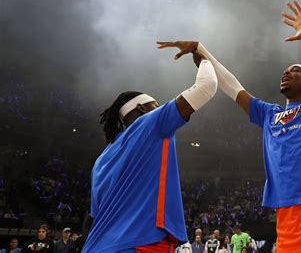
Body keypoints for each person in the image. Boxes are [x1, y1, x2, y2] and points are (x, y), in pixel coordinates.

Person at [158, 0, 301, 252]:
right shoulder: (269, 114)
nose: (286, 72)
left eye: (295, 70)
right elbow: (232, 86)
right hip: (285, 224)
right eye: (285, 69)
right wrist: (200, 48)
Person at [83, 49, 218, 252]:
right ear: (142, 108)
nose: (160, 107)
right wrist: (204, 60)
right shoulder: (149, 123)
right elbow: (207, 86)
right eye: (155, 104)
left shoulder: (101, 159)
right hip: (139, 243)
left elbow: (91, 218)